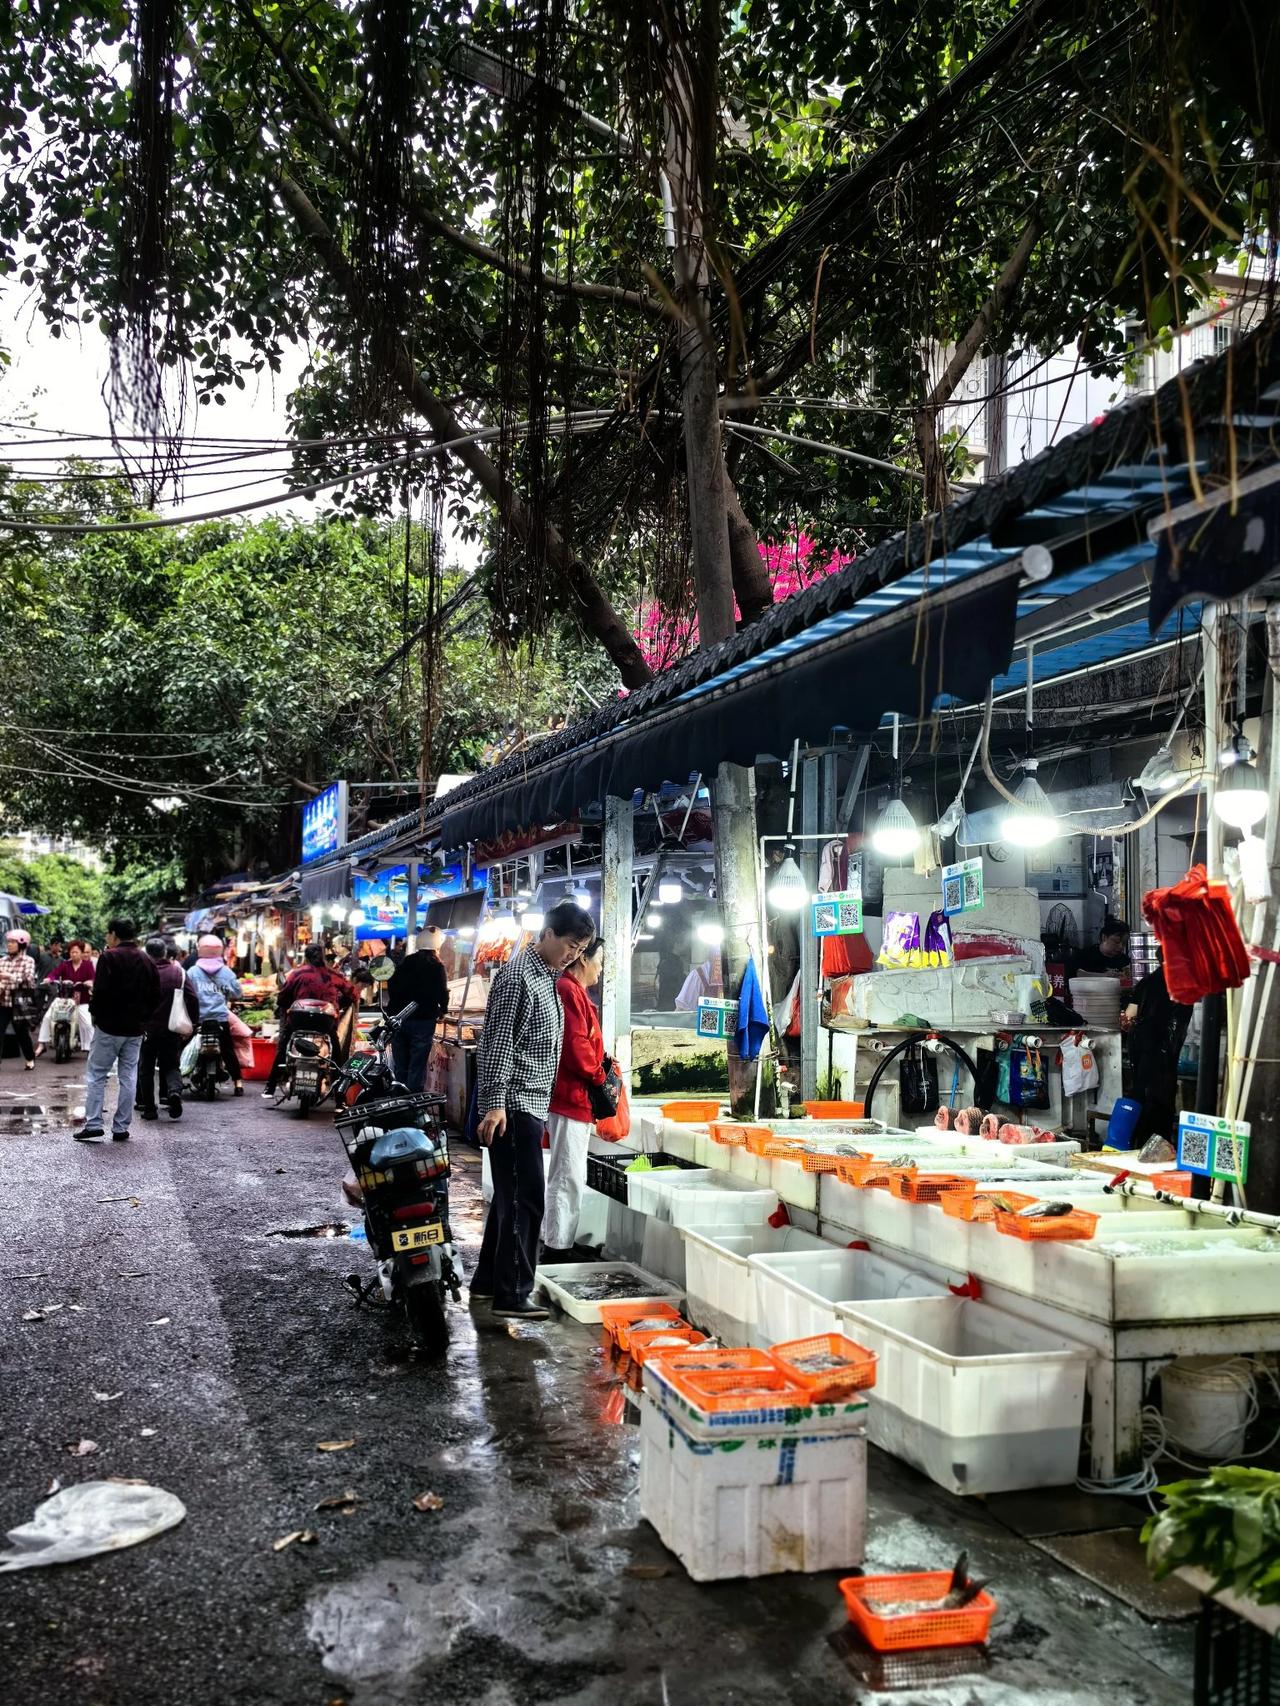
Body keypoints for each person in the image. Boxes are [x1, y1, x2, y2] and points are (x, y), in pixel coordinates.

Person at [471, 900, 595, 1321]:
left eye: (581, 949)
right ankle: (514, 1292)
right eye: (570, 945)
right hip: (513, 1106)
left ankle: (489, 1282)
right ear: (547, 933)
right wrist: (493, 1105)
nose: (574, 955)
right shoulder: (518, 976)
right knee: (527, 1200)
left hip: (530, 1104)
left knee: (510, 1199)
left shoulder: (549, 977)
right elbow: (497, 1044)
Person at [543, 937, 608, 1261]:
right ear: (583, 960)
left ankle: (561, 1238)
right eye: (599, 960)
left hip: (574, 1097)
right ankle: (557, 1247)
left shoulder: (574, 991)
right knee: (567, 1174)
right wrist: (598, 1074)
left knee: (569, 1172)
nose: (600, 968)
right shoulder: (568, 990)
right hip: (570, 1095)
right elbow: (575, 1045)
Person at [73, 919, 161, 1142]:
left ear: (114, 935)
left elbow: (100, 991)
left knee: (96, 1075)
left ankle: (93, 1124)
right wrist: (144, 1020)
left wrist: (96, 1017)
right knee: (128, 1076)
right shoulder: (146, 959)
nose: (106, 937)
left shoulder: (108, 957)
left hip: (109, 1027)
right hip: (134, 1030)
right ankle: (121, 1127)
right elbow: (155, 994)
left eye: (107, 933)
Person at [264, 943, 356, 1096]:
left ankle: (270, 1087)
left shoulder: (297, 974)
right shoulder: (332, 975)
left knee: (284, 1045)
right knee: (335, 1054)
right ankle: (340, 1098)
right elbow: (353, 994)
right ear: (323, 957)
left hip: (298, 1021)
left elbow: (283, 996)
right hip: (325, 1024)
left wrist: (287, 1006)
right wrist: (339, 1005)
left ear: (306, 957)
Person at [1123, 949, 1194, 1145]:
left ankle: (1138, 1144)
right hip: (1163, 1047)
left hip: (1141, 1044)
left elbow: (1129, 1014)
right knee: (1161, 1098)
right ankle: (1158, 1146)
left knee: (1141, 1093)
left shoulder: (1148, 981)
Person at [138, 936, 199, 1121]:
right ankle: (173, 1092)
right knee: (172, 1065)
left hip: (147, 1029)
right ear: (165, 953)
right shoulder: (178, 972)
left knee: (146, 1068)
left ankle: (149, 1108)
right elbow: (193, 998)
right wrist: (193, 1023)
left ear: (147, 954)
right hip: (172, 1027)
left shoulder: (142, 972)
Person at [386, 926, 450, 1092]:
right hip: (423, 1022)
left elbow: (392, 988)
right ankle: (411, 1105)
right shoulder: (437, 967)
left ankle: (398, 1101)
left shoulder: (405, 963)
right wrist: (443, 1010)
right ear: (437, 945)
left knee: (400, 1065)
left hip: (399, 1020)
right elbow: (442, 992)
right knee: (417, 1066)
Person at [188, 932, 246, 1095]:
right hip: (220, 1019)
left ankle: (180, 1076)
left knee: (186, 1047)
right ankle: (238, 1083)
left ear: (200, 950)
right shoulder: (226, 972)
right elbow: (237, 993)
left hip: (198, 1020)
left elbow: (187, 994)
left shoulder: (192, 972)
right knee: (228, 1049)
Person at [34, 939, 95, 1056]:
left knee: (87, 1023)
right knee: (47, 1017)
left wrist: (89, 982)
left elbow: (93, 978)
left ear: (81, 953)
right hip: (63, 998)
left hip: (81, 1000)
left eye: (76, 952)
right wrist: (49, 979)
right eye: (72, 952)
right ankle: (42, 1044)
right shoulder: (65, 964)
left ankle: (91, 1048)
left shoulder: (88, 965)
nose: (74, 954)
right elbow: (54, 974)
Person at [0, 930, 38, 1071]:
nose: (9, 945)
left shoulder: (28, 961)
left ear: (22, 944)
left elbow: (28, 979)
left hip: (19, 1004)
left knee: (22, 1035)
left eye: (12, 942)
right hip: (3, 1002)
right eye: (8, 942)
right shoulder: (2, 961)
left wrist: (8, 976)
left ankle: (29, 1058)